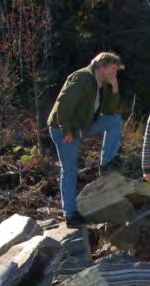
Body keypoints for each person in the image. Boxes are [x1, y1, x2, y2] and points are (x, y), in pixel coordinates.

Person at [47, 51, 124, 228]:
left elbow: (109, 111)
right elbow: (63, 103)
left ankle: (106, 164)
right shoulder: (83, 77)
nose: (114, 73)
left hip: (82, 126)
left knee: (114, 121)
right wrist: (67, 130)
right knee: (70, 170)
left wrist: (114, 88)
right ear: (102, 67)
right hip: (64, 129)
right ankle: (70, 214)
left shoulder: (99, 83)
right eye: (112, 69)